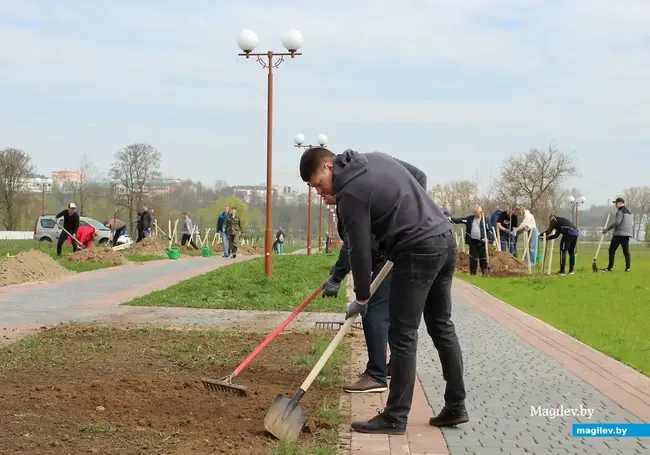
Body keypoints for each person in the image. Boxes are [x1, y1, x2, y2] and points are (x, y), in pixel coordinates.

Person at [300, 147, 467, 435]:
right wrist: (414, 217)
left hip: (418, 250)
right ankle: (456, 405)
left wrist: (362, 297)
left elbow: (360, 251)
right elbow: (419, 176)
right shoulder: (375, 158)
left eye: (318, 184)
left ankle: (395, 417)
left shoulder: (349, 193)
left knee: (403, 335)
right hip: (444, 238)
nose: (319, 192)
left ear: (329, 165)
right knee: (441, 326)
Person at [321, 155, 428, 395]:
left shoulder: (357, 194)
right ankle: (391, 367)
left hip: (392, 256)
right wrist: (335, 276)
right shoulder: (350, 198)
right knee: (386, 314)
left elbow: (353, 249)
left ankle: (376, 374)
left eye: (321, 186)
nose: (320, 192)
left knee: (374, 312)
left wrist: (415, 213)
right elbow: (350, 247)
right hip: (390, 255)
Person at [450, 206, 493, 275]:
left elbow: (490, 230)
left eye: (476, 213)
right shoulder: (470, 219)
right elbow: (460, 220)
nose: (475, 214)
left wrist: (487, 238)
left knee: (483, 258)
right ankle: (473, 273)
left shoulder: (486, 220)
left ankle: (485, 273)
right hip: (473, 242)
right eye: (474, 213)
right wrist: (450, 219)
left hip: (482, 242)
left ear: (481, 212)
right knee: (473, 258)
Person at [602, 197, 633, 272]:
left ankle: (610, 267)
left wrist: (607, 229)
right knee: (626, 252)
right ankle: (628, 268)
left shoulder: (620, 211)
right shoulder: (629, 212)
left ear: (620, 203)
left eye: (616, 203)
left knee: (611, 250)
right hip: (627, 235)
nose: (615, 205)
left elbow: (617, 222)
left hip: (619, 234)